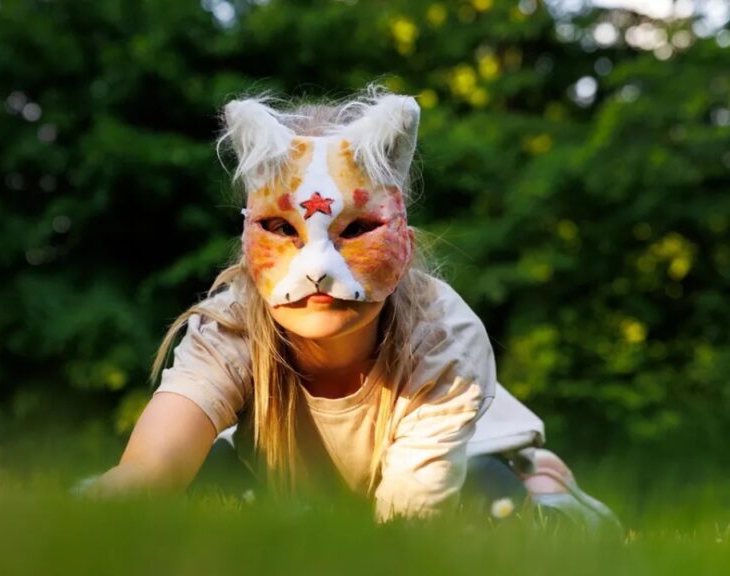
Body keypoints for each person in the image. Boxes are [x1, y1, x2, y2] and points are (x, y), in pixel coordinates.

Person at [78, 84, 620, 530]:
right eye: (281, 229)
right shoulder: (230, 328)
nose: (316, 267)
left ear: (402, 239)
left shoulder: (443, 338)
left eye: (357, 230)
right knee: (211, 479)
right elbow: (147, 475)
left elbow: (408, 529)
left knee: (494, 499)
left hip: (466, 451)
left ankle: (546, 478)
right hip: (291, 479)